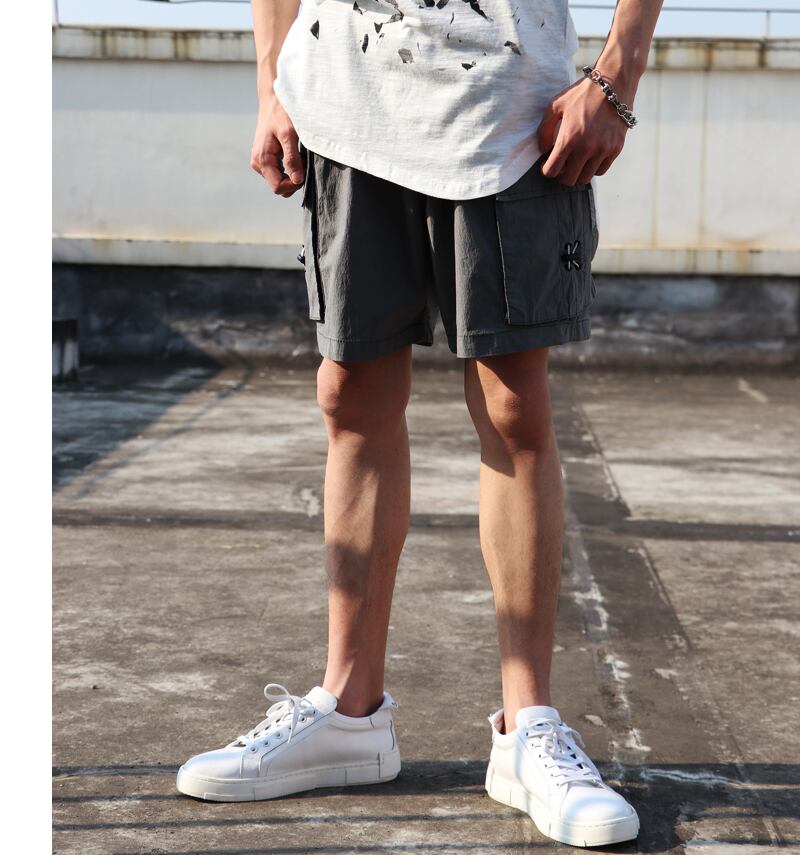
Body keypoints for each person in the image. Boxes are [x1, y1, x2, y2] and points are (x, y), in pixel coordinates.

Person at [177, 0, 662, 846]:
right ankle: (349, 712)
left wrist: (617, 74)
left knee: (513, 406)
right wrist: (270, 83)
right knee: (350, 395)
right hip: (346, 107)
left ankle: (527, 725)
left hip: (511, 113)